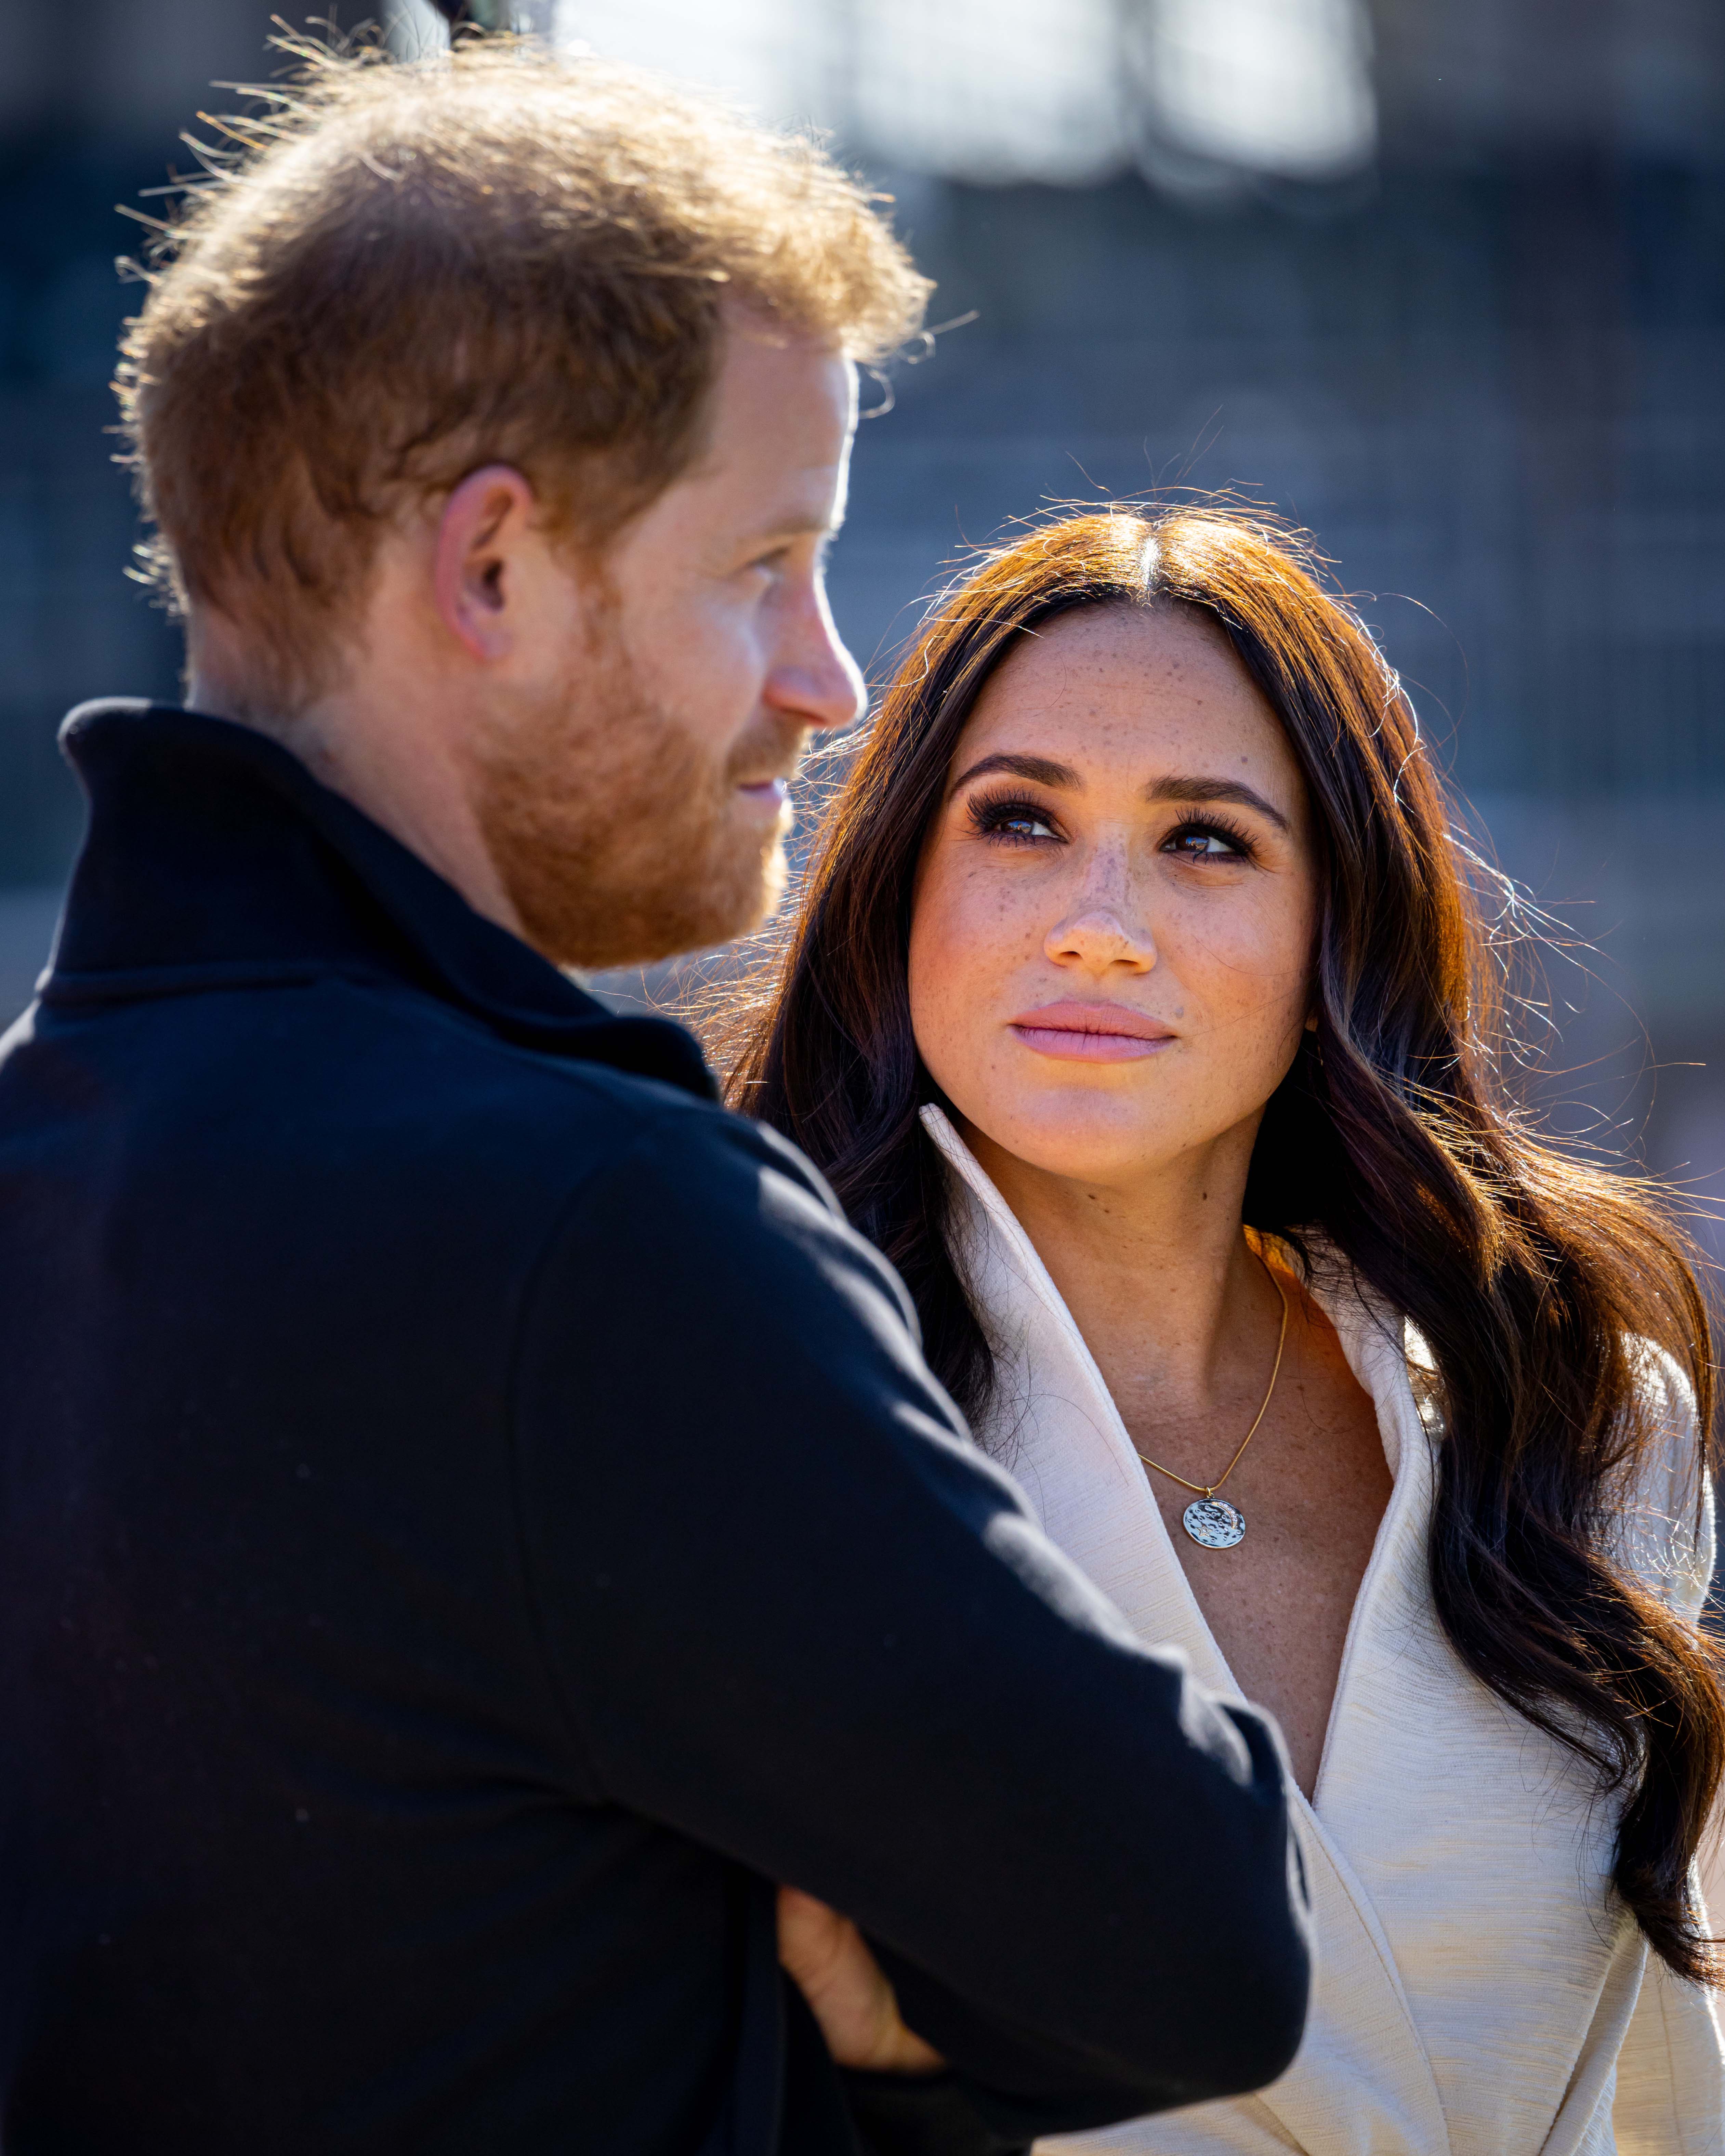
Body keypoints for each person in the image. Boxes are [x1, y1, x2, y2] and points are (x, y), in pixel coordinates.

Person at [0, 39, 1314, 2156]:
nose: (829, 679)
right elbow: (1199, 1952)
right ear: (494, 569)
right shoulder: (590, 1228)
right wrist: (835, 2020)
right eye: (763, 565)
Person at [728, 507, 1725, 2153]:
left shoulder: (1584, 1420)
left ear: (1336, 930)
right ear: (902, 881)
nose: (1097, 919)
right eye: (1020, 819)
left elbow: (1669, 2086)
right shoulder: (737, 1408)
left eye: (1205, 840)